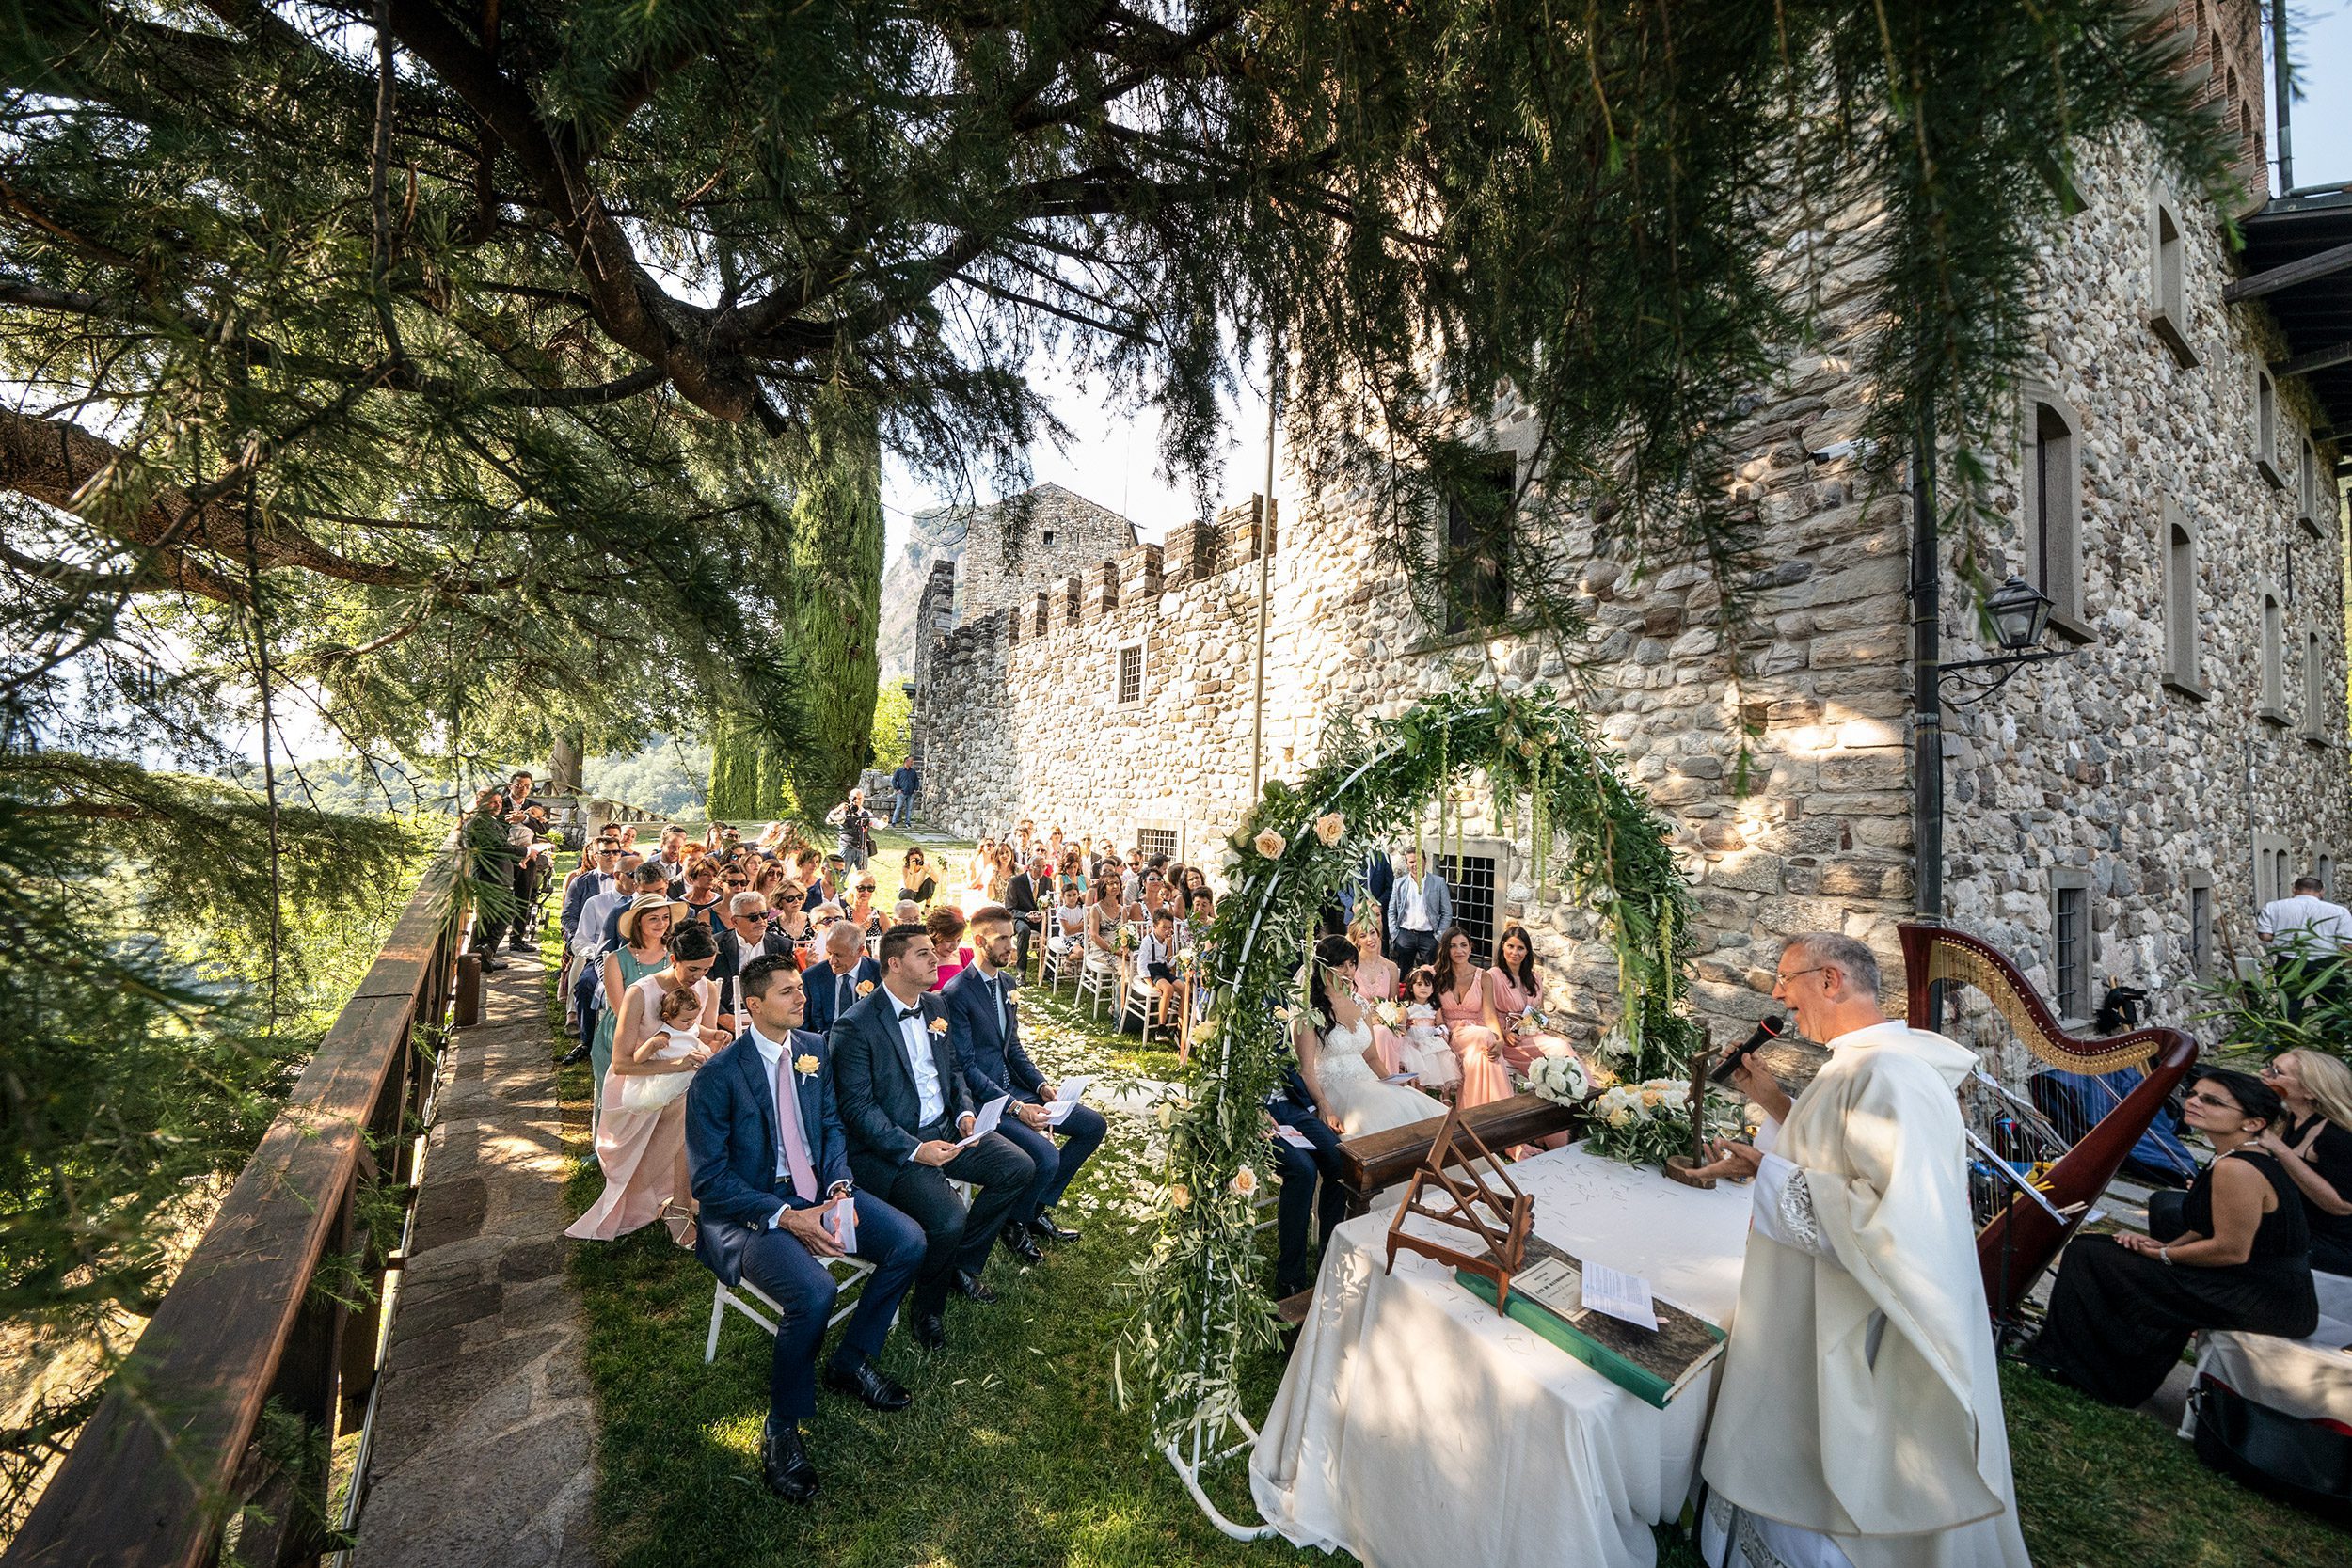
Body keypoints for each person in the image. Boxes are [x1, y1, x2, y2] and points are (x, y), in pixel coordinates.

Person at [1689, 932, 2029, 1568]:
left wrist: (1767, 1170)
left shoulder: (1889, 1073)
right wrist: (1769, 1102)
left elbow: (1886, 1216)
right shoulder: (1861, 1061)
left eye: (1786, 979)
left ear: (1831, 979)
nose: (1777, 996)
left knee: (1829, 1453)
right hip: (1818, 1292)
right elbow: (1833, 1154)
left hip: (1856, 1316)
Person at [685, 956, 928, 1504]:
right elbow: (709, 1182)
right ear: (753, 1006)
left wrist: (840, 1186)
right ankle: (781, 1426)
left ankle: (853, 1359)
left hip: (819, 1190)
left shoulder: (814, 1050)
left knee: (909, 1241)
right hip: (750, 1213)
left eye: (801, 988)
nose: (802, 998)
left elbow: (830, 1126)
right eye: (787, 992)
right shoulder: (717, 1076)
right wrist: (788, 1217)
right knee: (814, 1292)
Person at [2026, 1067, 2319, 1407]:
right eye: (2194, 1094)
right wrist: (2166, 1246)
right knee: (2096, 1250)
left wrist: (2163, 1257)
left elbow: (2230, 1250)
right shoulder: (2229, 1154)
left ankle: (2089, 1372)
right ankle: (2095, 1364)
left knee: (2090, 1256)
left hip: (2263, 1298)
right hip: (2247, 1281)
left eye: (2212, 1101)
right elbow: (2206, 1224)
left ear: (2252, 1123)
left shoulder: (2238, 1168)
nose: (2193, 1102)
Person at [829, 924, 1035, 1350]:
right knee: (947, 1219)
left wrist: (963, 1112)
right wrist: (915, 1150)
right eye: (924, 954)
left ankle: (961, 1263)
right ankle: (928, 1308)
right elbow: (857, 1110)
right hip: (897, 1147)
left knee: (1019, 1166)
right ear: (895, 963)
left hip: (947, 1127)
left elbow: (954, 1069)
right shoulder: (856, 1026)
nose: (936, 959)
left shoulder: (936, 1004)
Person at [946, 906, 1106, 1251]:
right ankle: (1015, 1222)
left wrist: (1041, 1086)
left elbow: (1013, 1047)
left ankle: (1034, 1209)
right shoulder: (957, 992)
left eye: (1009, 937)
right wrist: (1017, 1107)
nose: (1010, 945)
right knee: (1046, 1157)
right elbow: (967, 1068)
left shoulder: (1007, 982)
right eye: (1001, 938)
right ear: (979, 941)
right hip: (990, 1102)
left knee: (1092, 1125)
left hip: (1019, 1090)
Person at [567, 922, 723, 1243]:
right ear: (673, 959)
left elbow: (697, 1038)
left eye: (707, 969)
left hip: (687, 1076)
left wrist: (717, 1039)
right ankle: (679, 1209)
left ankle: (711, 1194)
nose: (699, 978)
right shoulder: (640, 992)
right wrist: (676, 1065)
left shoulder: (706, 988)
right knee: (690, 1108)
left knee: (723, 1100)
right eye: (693, 969)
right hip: (638, 1085)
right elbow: (622, 1063)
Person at [1295, 935, 1443, 1137]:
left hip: (1368, 1081)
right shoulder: (1309, 1012)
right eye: (1340, 965)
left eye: (1352, 964)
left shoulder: (1361, 1004)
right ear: (1323, 967)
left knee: (1417, 1108)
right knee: (1382, 1121)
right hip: (1334, 1088)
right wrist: (1324, 1105)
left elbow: (1371, 1057)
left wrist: (1392, 1081)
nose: (1348, 972)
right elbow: (1306, 1071)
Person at [2258, 1049, 2352, 1275]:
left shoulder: (2337, 1136)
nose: (2263, 1072)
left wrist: (2280, 1150)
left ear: (2309, 1092)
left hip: (2331, 1243)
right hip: (2296, 1223)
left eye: (2276, 1072)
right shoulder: (2293, 1118)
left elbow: (2343, 1205)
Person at [1266, 1051, 1350, 1300]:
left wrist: (1315, 1106)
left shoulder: (1277, 1008)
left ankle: (1328, 1258)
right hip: (1252, 1115)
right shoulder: (1223, 1011)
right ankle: (1290, 1279)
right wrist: (1250, 1110)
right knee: (1303, 1170)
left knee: (1340, 1159)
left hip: (1290, 1107)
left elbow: (1289, 1065)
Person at [593, 893, 682, 1116]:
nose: (661, 924)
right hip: (624, 1033)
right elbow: (620, 1010)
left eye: (665, 918)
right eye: (653, 918)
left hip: (669, 1031)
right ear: (638, 921)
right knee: (626, 1101)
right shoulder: (616, 959)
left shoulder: (674, 955)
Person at [1433, 926, 1512, 1108]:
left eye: (1463, 945)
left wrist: (1499, 1040)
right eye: (1453, 946)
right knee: (1484, 1037)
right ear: (1446, 949)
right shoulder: (1437, 975)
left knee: (1482, 1053)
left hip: (1477, 1034)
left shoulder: (1483, 976)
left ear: (1470, 947)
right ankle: (1493, 1110)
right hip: (1450, 1034)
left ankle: (1479, 1113)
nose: (1459, 950)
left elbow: (1490, 1014)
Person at [2258, 874, 2351, 1023]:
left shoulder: (2273, 907)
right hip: (2327, 964)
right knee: (2331, 1007)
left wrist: (2284, 936)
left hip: (2289, 963)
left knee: (2289, 1007)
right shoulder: (2339, 911)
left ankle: (2287, 1041)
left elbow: (2265, 935)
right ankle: (2332, 1043)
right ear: (2322, 892)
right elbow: (2347, 944)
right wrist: (2345, 967)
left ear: (2294, 890)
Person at [1488, 924, 1573, 1075]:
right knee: (1560, 1047)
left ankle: (1582, 1092)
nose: (1515, 952)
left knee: (1561, 1051)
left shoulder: (1535, 978)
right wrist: (1505, 1033)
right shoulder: (1492, 975)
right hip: (1509, 1040)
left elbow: (1540, 1012)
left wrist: (1542, 1023)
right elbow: (1485, 1014)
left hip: (1534, 1035)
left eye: (1520, 948)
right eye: (1510, 946)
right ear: (1503, 946)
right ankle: (1579, 1092)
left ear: (1527, 951)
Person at [710, 892, 794, 1025]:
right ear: (735, 921)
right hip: (727, 1014)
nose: (761, 921)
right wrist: (722, 1016)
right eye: (753, 917)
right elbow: (708, 987)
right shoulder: (716, 945)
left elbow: (788, 988)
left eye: (764, 915)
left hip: (770, 1014)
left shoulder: (782, 946)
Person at [1346, 911, 1405, 1075]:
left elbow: (1394, 1004)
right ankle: (1386, 1081)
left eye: (1372, 933)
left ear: (1379, 934)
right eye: (1363, 935)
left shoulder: (1391, 967)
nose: (1370, 939)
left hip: (1385, 1024)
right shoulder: (1350, 967)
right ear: (1356, 941)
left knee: (1383, 1033)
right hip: (1356, 1024)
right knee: (1380, 1033)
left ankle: (1389, 1082)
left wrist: (1391, 1018)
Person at [803, 919, 883, 1037]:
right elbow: (803, 1023)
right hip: (825, 1041)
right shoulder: (812, 976)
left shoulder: (880, 973)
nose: (832, 961)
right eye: (829, 953)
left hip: (868, 1041)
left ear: (860, 950)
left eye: (839, 955)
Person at [1384, 848, 1451, 974]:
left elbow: (1447, 912)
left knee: (1432, 974)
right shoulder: (1399, 884)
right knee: (1404, 973)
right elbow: (1392, 910)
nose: (1415, 865)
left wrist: (1439, 936)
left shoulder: (1438, 882)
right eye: (1412, 862)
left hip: (1430, 936)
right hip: (1405, 935)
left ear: (1425, 861)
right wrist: (1395, 935)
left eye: (1419, 861)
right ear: (1407, 864)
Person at [1396, 967, 1459, 1091]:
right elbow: (1402, 1027)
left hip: (1430, 1043)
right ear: (1411, 987)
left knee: (1440, 1061)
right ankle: (1419, 1094)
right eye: (1419, 984)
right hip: (1414, 1043)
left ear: (1432, 989)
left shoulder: (1434, 1007)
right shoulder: (1406, 1007)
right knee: (1419, 1068)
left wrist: (1443, 1033)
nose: (1423, 988)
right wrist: (1408, 1040)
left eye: (1427, 985)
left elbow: (1440, 1024)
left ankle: (1444, 1095)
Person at [1005, 853, 1050, 974]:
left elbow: (1049, 905)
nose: (1041, 870)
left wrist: (1041, 914)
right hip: (1020, 918)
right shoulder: (1015, 882)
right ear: (1030, 867)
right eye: (1038, 867)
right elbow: (1009, 909)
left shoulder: (1047, 882)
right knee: (1024, 931)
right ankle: (1021, 971)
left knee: (1053, 930)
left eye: (1044, 867)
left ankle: (1048, 969)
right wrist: (1026, 915)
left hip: (1039, 919)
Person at [829, 790, 876, 872]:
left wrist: (885, 821)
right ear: (849, 799)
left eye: (860, 798)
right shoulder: (844, 812)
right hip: (847, 848)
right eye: (854, 798)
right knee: (841, 874)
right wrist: (838, 809)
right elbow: (829, 820)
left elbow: (879, 825)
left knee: (863, 875)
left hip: (862, 848)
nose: (857, 801)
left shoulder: (866, 813)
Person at [927, 905, 973, 989]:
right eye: (949, 940)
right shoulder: (922, 960)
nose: (954, 947)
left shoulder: (966, 956)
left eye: (959, 940)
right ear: (935, 935)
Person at [890, 757, 920, 827]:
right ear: (906, 762)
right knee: (898, 807)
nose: (912, 763)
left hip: (911, 793)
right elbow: (894, 780)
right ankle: (894, 822)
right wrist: (897, 789)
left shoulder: (913, 772)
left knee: (909, 808)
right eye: (911, 762)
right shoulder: (899, 771)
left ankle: (907, 822)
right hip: (901, 793)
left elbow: (916, 781)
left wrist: (915, 789)